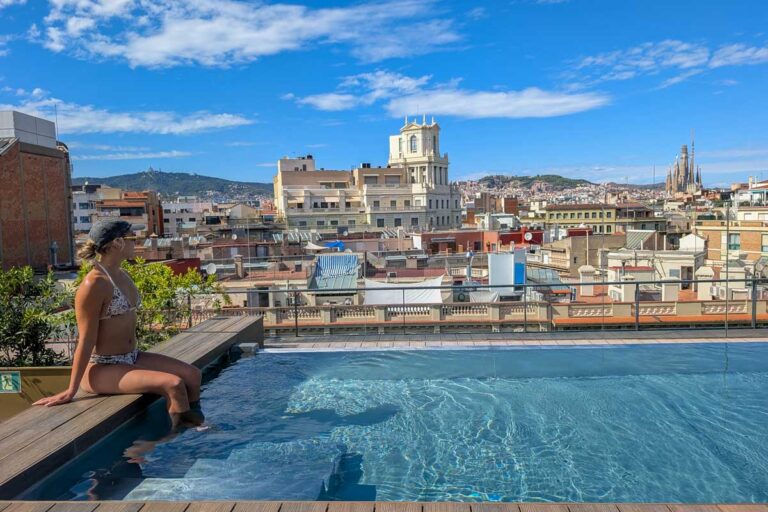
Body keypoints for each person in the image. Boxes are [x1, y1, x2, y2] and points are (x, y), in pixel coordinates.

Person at [34, 219, 204, 429]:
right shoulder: (94, 284)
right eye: (133, 238)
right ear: (117, 243)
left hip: (130, 357)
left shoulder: (121, 274)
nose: (137, 243)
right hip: (103, 366)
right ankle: (181, 443)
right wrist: (71, 390)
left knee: (192, 375)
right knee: (174, 384)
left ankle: (195, 426)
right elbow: (86, 341)